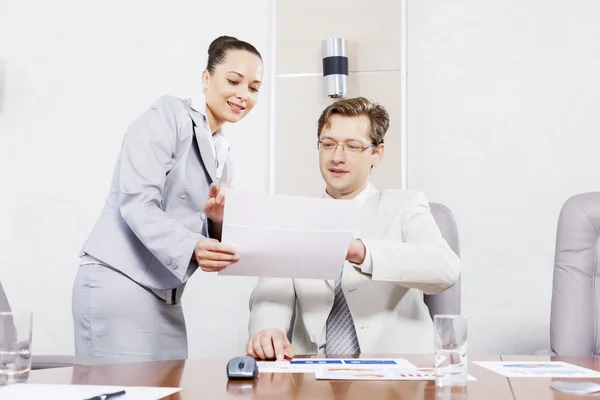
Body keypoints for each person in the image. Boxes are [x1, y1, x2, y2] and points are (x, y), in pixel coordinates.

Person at [72, 35, 264, 362]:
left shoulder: (223, 158)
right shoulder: (168, 115)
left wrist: (217, 220)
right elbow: (136, 201)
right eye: (234, 81)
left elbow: (204, 234)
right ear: (206, 78)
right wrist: (193, 245)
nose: (243, 94)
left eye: (254, 88)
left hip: (166, 297)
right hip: (119, 282)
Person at [246, 97, 461, 360]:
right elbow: (271, 293)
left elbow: (445, 269)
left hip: (397, 374)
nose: (337, 157)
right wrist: (268, 329)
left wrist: (361, 252)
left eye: (352, 147)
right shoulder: (294, 217)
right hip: (314, 375)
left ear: (377, 154)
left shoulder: (405, 206)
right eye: (328, 144)